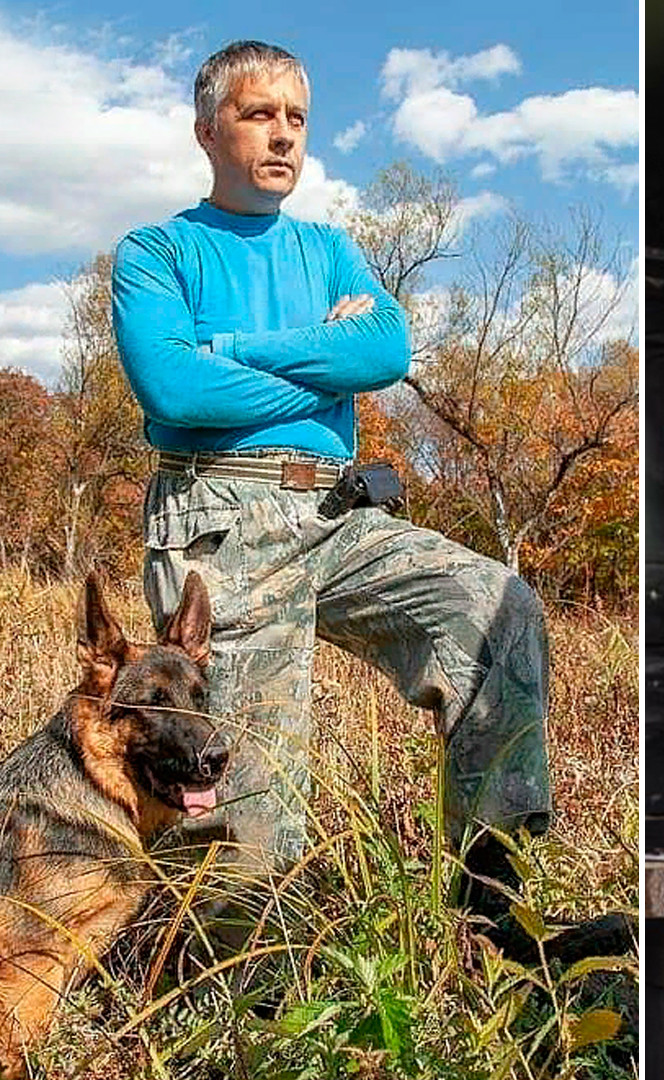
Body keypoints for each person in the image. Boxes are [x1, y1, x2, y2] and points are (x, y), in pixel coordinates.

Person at [109, 40, 615, 960]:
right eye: (259, 114)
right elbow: (176, 393)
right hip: (221, 520)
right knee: (242, 774)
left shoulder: (328, 248)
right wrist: (316, 364)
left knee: (492, 608)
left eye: (297, 119)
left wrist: (231, 346)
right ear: (205, 130)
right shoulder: (158, 252)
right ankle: (236, 987)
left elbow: (383, 355)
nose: (282, 136)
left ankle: (499, 915)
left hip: (337, 512)